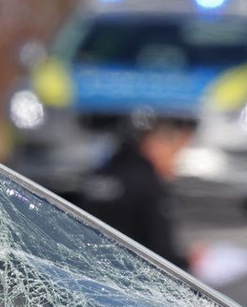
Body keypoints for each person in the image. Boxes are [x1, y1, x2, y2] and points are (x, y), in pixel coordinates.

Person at [79, 108, 195, 270]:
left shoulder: (106, 170)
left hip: (89, 266)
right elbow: (163, 255)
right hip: (127, 273)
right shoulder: (148, 184)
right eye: (176, 151)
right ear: (156, 144)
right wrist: (189, 261)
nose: (176, 161)